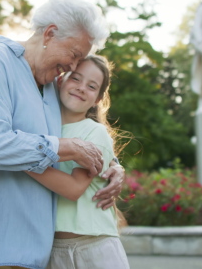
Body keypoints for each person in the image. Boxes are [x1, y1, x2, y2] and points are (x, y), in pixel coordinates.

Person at [0, 0, 125, 269]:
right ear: (50, 33)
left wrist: (113, 165)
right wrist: (67, 148)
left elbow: (75, 128)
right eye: (74, 55)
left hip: (32, 254)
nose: (72, 67)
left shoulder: (49, 85)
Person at [27, 55, 130, 269]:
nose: (81, 88)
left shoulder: (95, 132)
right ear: (60, 81)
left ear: (98, 100)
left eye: (91, 86)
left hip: (93, 247)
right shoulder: (43, 129)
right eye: (75, 78)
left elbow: (74, 189)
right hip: (51, 248)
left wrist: (18, 161)